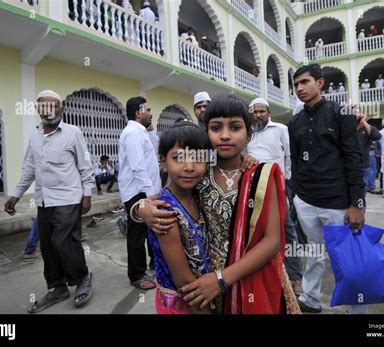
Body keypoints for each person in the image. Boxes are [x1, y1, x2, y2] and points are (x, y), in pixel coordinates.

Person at [135, 95, 299, 314]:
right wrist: (140, 209)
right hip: (207, 282)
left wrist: (221, 279)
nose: (224, 135)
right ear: (206, 134)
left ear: (249, 135)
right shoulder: (199, 173)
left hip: (249, 274)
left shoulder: (259, 175)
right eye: (215, 128)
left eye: (235, 127)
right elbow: (163, 198)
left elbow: (272, 241)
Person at [4, 90, 94, 313]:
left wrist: (87, 193)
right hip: (44, 201)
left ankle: (82, 278)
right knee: (48, 246)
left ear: (61, 108)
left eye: (53, 106)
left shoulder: (73, 133)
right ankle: (58, 287)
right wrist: (16, 194)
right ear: (38, 110)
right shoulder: (34, 136)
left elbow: (85, 165)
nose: (49, 111)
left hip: (68, 198)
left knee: (65, 242)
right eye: (44, 106)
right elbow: (28, 169)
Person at [288, 64, 366, 314]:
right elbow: (296, 160)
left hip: (339, 204)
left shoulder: (340, 112)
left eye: (305, 82)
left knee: (346, 260)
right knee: (314, 252)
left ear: (320, 83)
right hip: (307, 202)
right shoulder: (296, 121)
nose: (300, 88)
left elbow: (354, 158)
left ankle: (356, 308)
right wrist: (297, 196)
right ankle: (310, 299)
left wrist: (357, 204)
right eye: (296, 84)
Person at [148, 122, 212, 314]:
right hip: (183, 304)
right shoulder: (164, 211)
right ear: (164, 162)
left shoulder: (200, 195)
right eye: (179, 158)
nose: (189, 167)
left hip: (205, 295)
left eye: (198, 159)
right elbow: (184, 282)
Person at [246, 98, 303, 297]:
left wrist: (286, 179)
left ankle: (296, 278)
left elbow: (289, 155)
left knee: (287, 230)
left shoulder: (280, 129)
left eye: (262, 111)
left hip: (277, 187)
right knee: (256, 232)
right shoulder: (246, 133)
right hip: (252, 190)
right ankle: (264, 276)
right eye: (255, 111)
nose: (259, 115)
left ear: (268, 112)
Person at [118, 96, 161, 290]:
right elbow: (137, 166)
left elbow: (155, 148)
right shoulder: (133, 133)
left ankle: (154, 264)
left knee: (151, 230)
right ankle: (136, 274)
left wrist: (150, 129)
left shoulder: (140, 132)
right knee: (137, 234)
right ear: (139, 112)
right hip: (139, 192)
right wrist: (150, 194)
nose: (151, 113)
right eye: (148, 109)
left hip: (146, 191)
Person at [357, 113, 382, 196]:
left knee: (362, 190)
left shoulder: (367, 129)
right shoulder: (348, 128)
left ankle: (371, 187)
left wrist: (364, 122)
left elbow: (376, 136)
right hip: (349, 164)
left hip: (363, 163)